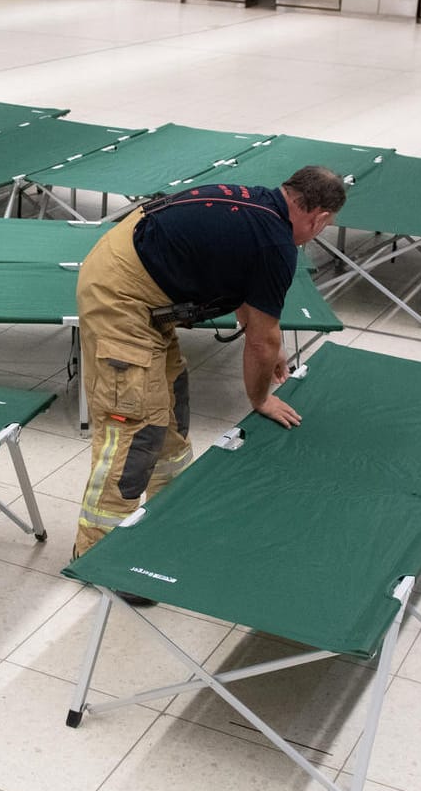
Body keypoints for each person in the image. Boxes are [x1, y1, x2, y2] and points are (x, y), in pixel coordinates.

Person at [71, 165, 345, 565]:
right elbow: (262, 341)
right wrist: (260, 398)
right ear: (319, 218)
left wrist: (266, 334)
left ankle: (162, 517)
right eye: (326, 226)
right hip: (121, 297)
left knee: (170, 405)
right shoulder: (276, 244)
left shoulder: (257, 203)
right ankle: (97, 552)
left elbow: (243, 288)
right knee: (136, 428)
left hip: (138, 278)